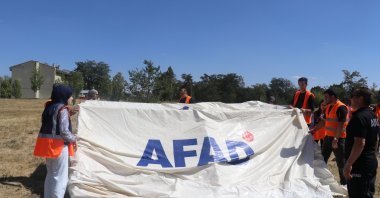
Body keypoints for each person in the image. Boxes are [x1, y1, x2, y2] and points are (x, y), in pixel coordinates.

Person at [33, 84, 77, 198]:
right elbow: (64, 132)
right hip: (59, 148)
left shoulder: (49, 107)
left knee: (51, 175)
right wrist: (75, 138)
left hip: (49, 148)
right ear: (64, 96)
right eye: (70, 96)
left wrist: (69, 113)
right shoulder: (62, 109)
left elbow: (55, 122)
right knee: (61, 179)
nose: (71, 98)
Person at [343, 87, 379, 197]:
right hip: (369, 161)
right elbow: (376, 138)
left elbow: (360, 143)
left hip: (359, 165)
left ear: (360, 99)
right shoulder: (372, 115)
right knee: (366, 193)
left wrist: (349, 164)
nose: (351, 99)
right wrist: (374, 155)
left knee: (359, 194)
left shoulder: (359, 117)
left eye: (353, 97)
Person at [310, 89, 348, 185]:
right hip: (328, 138)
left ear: (333, 97)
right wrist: (314, 129)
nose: (325, 99)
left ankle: (344, 183)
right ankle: (320, 179)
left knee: (341, 162)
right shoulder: (328, 107)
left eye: (326, 97)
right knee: (322, 159)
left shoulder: (341, 107)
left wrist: (336, 139)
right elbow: (324, 122)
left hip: (339, 139)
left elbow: (341, 124)